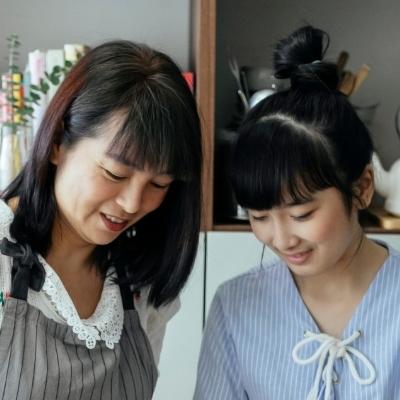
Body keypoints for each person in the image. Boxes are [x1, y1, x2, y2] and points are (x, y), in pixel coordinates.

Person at [194, 25, 400, 400]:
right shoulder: (235, 307)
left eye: (302, 214)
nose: (282, 238)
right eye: (259, 216)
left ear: (362, 188)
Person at [0, 40, 202, 399]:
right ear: (59, 141)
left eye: (159, 183)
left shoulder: (142, 282)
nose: (131, 203)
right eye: (114, 174)